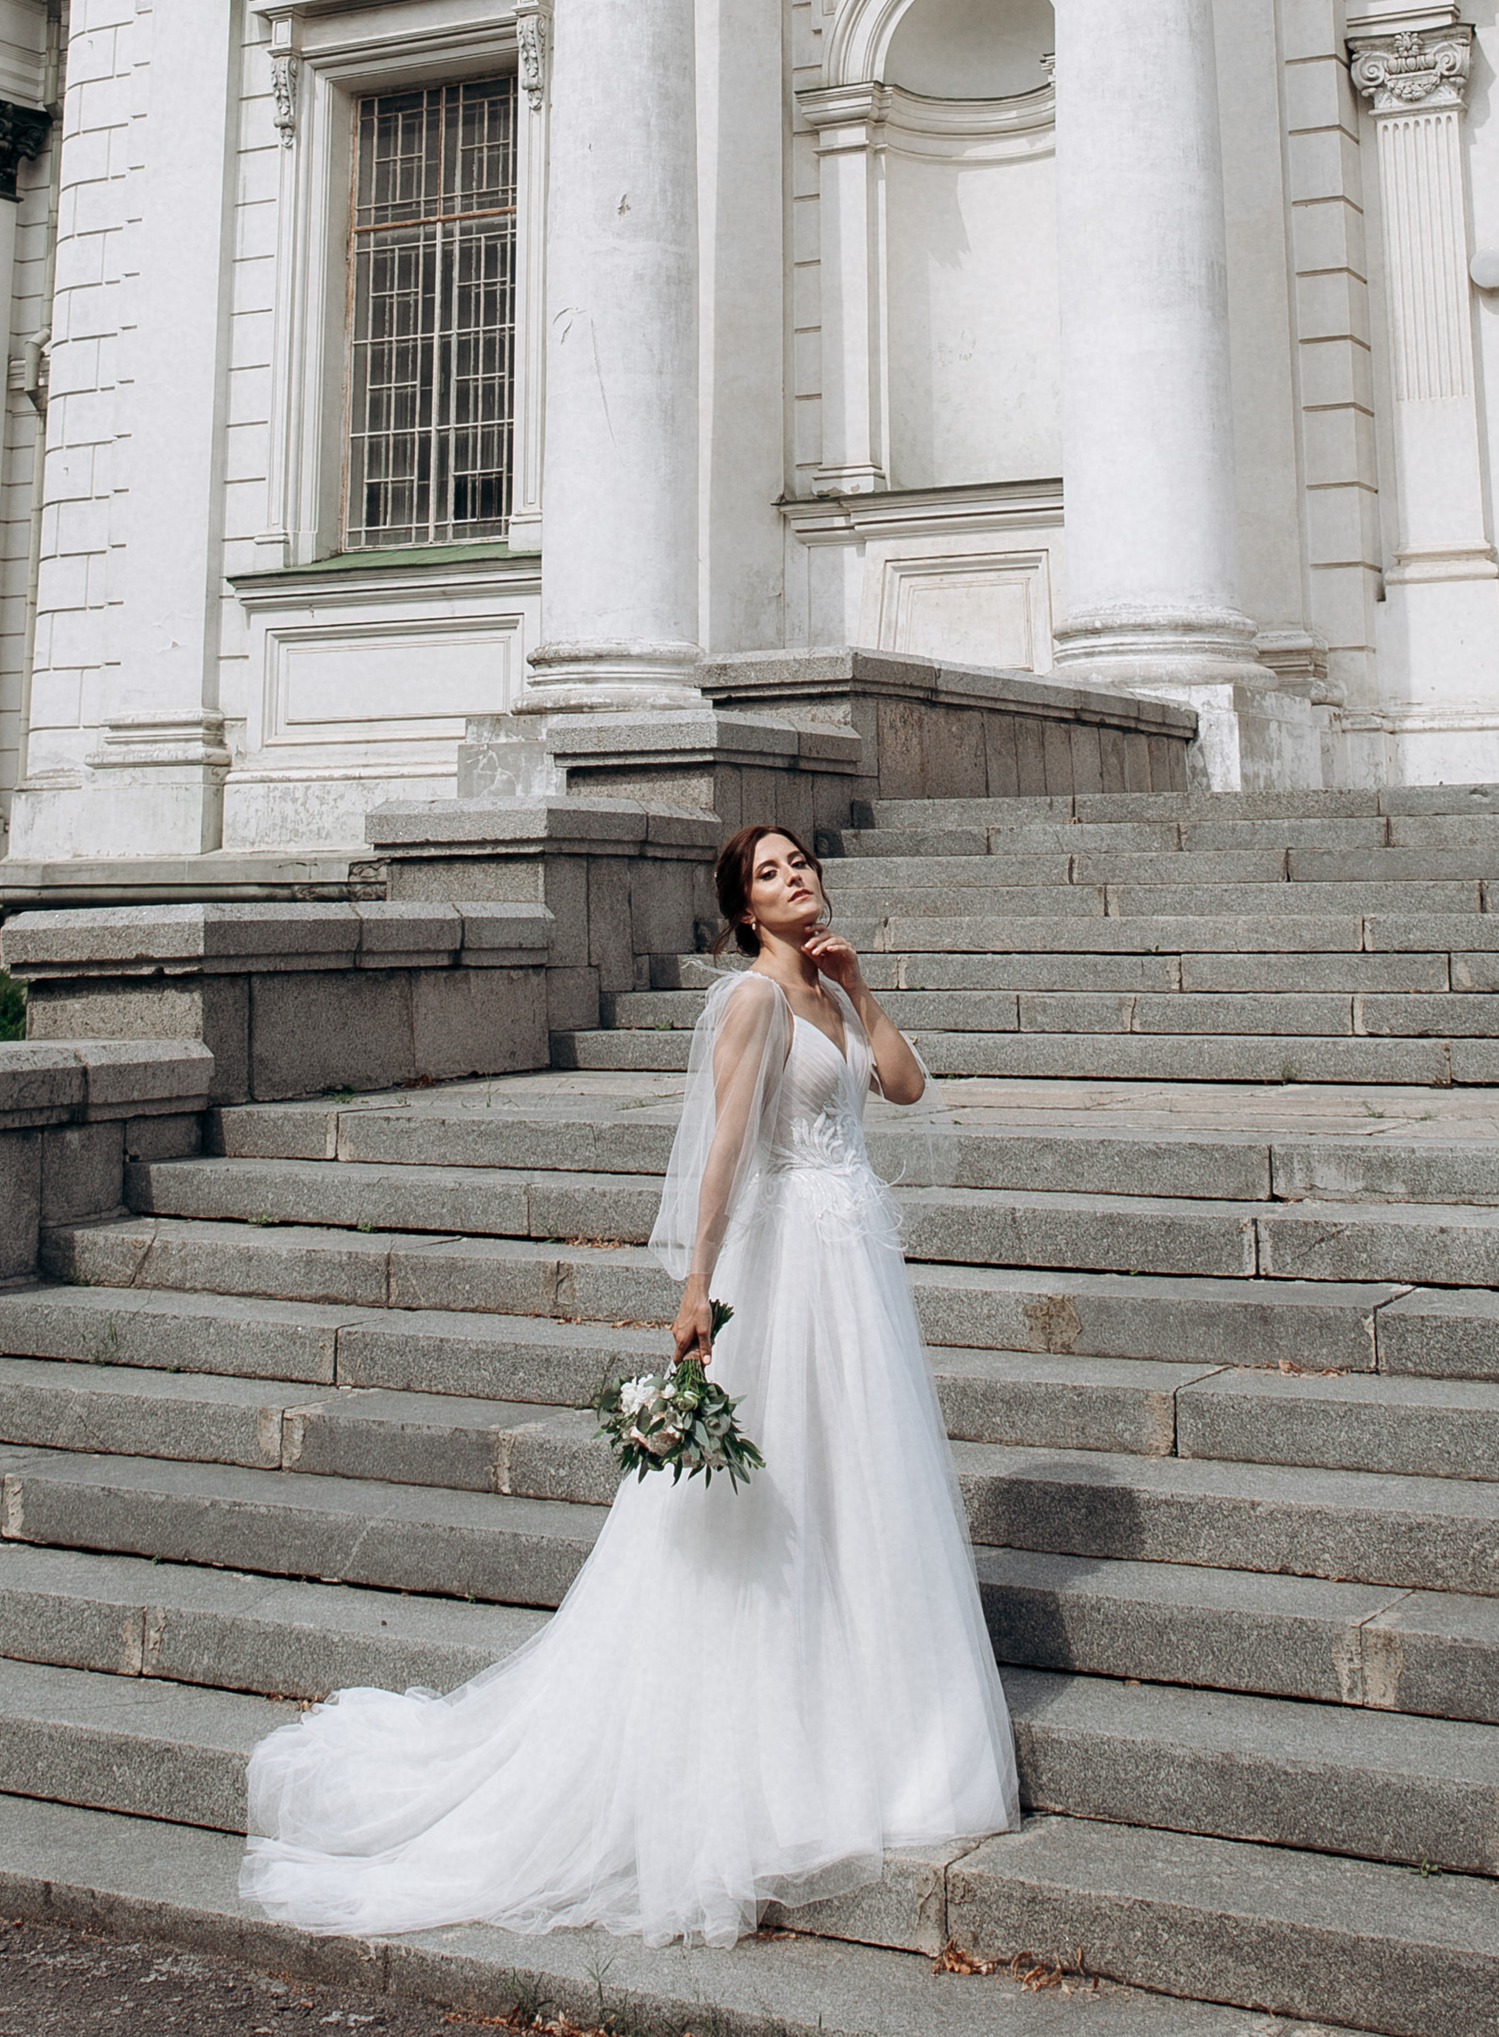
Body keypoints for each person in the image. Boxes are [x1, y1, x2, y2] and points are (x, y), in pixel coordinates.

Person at [240, 819, 1019, 1951]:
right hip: (789, 1264)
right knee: (773, 1497)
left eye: (800, 863)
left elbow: (898, 1090)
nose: (794, 878)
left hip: (857, 1266)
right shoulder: (749, 1001)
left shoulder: (834, 992)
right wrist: (696, 1288)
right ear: (742, 909)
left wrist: (864, 990)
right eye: (770, 873)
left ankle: (877, 1725)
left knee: (865, 1482)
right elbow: (722, 1150)